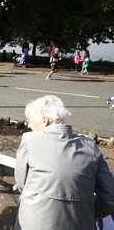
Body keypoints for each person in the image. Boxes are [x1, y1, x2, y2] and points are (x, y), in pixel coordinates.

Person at [14, 95, 114, 230]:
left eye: (30, 121)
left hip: (33, 222)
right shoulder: (90, 147)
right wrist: (89, 212)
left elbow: (21, 184)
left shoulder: (29, 140)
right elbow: (110, 195)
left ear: (45, 120)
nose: (29, 125)